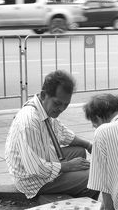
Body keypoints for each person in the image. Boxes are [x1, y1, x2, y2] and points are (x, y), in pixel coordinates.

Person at [5, 70, 98, 200]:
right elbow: (35, 168)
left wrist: (88, 145)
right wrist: (68, 166)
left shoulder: (43, 109)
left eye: (65, 105)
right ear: (44, 95)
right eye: (57, 103)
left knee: (79, 151)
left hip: (44, 162)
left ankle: (72, 192)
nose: (61, 109)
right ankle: (78, 208)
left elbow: (62, 133)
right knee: (92, 177)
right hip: (32, 180)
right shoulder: (29, 122)